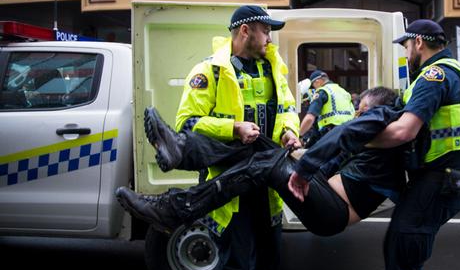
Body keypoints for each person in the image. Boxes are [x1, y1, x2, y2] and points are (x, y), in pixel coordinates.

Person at [116, 87, 413, 237]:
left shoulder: (384, 119)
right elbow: (329, 164)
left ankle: (176, 209)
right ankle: (182, 150)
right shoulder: (378, 135)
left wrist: (303, 170)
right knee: (255, 141)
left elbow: (346, 134)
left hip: (333, 213)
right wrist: (296, 152)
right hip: (326, 192)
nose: (357, 116)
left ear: (379, 111)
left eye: (362, 111)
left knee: (268, 165)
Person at [149, 5, 301, 270]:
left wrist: (289, 131)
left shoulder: (273, 69)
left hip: (268, 184)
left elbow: (287, 109)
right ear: (245, 31)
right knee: (236, 267)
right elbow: (187, 122)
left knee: (270, 263)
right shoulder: (209, 71)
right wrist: (233, 128)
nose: (269, 38)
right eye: (265, 31)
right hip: (231, 187)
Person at [357, 19, 460, 270]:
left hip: (437, 179)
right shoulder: (450, 70)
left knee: (404, 255)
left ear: (419, 42)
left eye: (406, 47)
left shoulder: (434, 75)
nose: (406, 53)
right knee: (400, 248)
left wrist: (356, 140)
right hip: (442, 176)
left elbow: (404, 131)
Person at [298, 70, 355, 177]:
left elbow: (310, 118)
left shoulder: (322, 92)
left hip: (331, 139)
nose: (314, 89)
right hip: (348, 139)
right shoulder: (344, 92)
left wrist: (298, 135)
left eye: (313, 86)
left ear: (318, 81)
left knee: (321, 177)